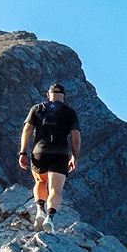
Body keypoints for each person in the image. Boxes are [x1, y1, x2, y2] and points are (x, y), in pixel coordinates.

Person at [19, 82, 82, 229]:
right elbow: (76, 137)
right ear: (64, 97)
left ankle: (40, 210)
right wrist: (74, 156)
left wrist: (22, 152)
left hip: (39, 152)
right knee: (55, 189)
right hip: (60, 153)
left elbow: (27, 129)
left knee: (40, 182)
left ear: (48, 95)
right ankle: (50, 217)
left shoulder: (37, 108)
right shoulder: (70, 112)